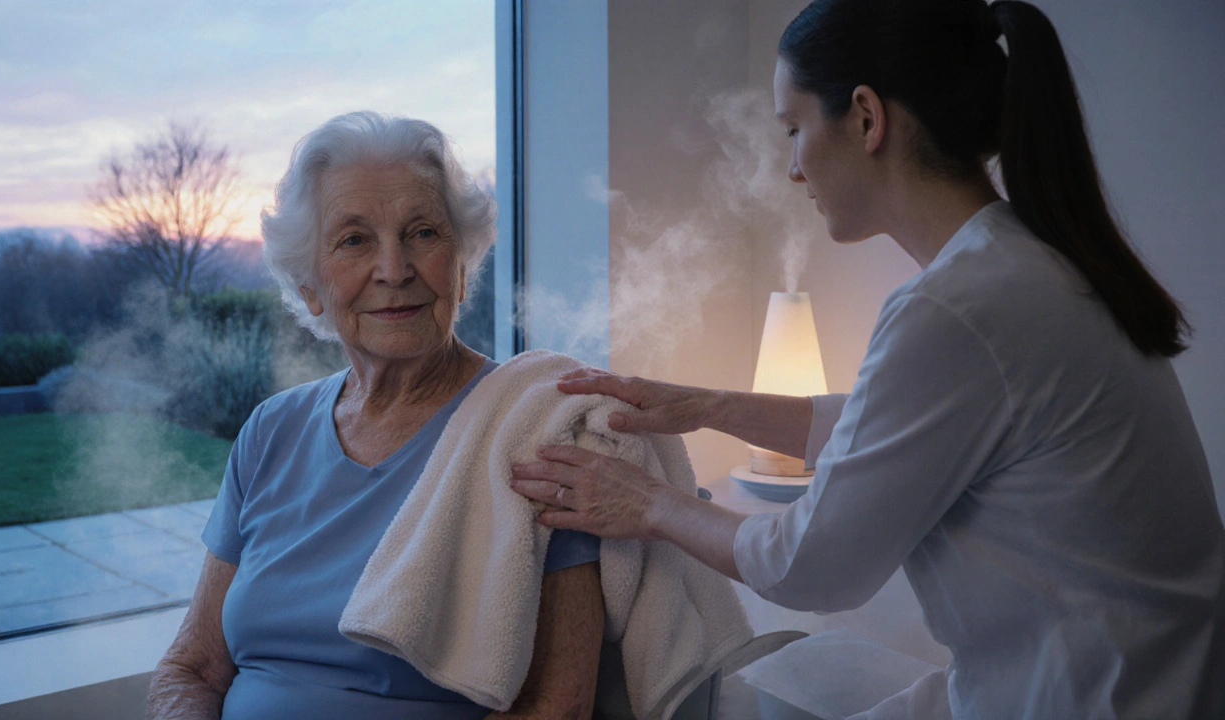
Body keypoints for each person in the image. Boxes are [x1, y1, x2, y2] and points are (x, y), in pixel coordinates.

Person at [509, 1, 1225, 718]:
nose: (793, 167)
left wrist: (647, 505)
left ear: (865, 117)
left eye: (795, 129)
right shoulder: (1026, 267)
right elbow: (890, 428)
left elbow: (810, 565)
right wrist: (707, 408)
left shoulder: (955, 308)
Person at [147, 112, 604, 720]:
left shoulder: (532, 427)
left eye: (422, 233)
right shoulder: (269, 432)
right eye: (355, 240)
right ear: (311, 286)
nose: (394, 269)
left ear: (462, 267)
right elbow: (193, 666)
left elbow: (557, 706)